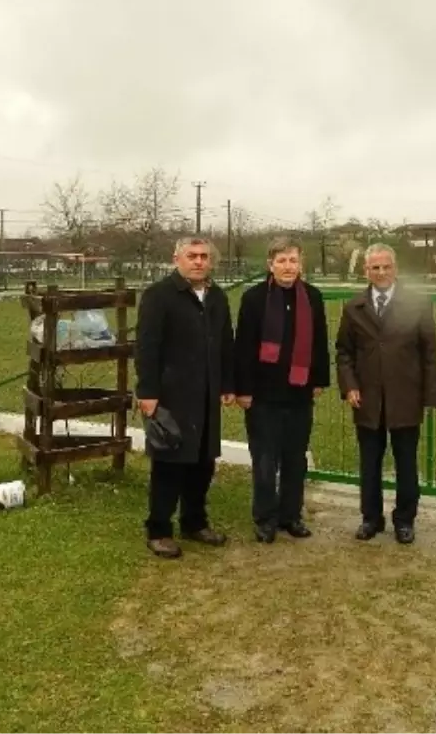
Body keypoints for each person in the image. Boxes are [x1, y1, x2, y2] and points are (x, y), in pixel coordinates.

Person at [134, 236, 236, 559]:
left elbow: (226, 344)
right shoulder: (159, 296)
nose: (199, 261)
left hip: (206, 396)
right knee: (169, 464)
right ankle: (159, 529)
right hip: (171, 395)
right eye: (192, 256)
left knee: (203, 462)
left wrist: (227, 383)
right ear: (176, 258)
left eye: (204, 256)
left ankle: (195, 521)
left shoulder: (217, 297)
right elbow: (147, 347)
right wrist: (147, 392)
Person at [335, 243, 436, 544]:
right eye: (375, 268)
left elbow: (430, 352)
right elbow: (344, 352)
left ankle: (405, 520)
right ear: (365, 271)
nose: (381, 273)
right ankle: (371, 518)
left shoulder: (416, 303)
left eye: (386, 267)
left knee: (406, 463)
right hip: (367, 399)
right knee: (369, 463)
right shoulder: (354, 307)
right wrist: (350, 385)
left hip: (404, 396)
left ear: (395, 268)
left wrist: (430, 395)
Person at [234, 236, 330, 543]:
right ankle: (265, 518)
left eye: (293, 260)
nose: (288, 267)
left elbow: (319, 342)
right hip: (263, 395)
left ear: (301, 264)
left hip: (299, 393)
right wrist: (243, 390)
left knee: (294, 458)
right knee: (265, 459)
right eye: (282, 261)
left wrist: (319, 380)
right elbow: (244, 347)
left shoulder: (312, 297)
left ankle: (291, 515)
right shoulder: (253, 299)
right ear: (270, 264)